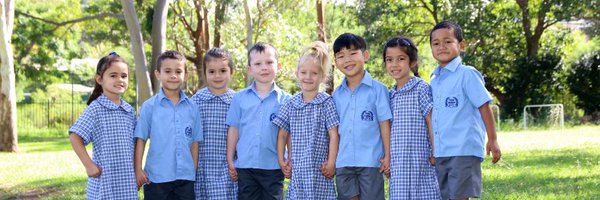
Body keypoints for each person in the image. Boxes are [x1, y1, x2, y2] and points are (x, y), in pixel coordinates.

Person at [429, 20, 502, 200]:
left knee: (460, 196)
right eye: (436, 43)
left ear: (461, 45)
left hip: (463, 149)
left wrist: (492, 140)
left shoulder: (467, 74)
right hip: (442, 151)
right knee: (445, 196)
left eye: (448, 41)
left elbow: (484, 107)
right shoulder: (434, 80)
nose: (441, 47)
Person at [272, 41, 339, 200]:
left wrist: (331, 162)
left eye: (314, 73)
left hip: (320, 171)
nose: (308, 77)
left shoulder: (326, 102)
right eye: (303, 72)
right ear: (297, 73)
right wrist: (282, 160)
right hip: (298, 171)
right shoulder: (291, 103)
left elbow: (334, 135)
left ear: (322, 76)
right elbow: (282, 135)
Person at [225, 42, 292, 200]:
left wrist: (290, 158)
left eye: (269, 62)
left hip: (274, 167)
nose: (264, 67)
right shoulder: (239, 98)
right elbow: (234, 129)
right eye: (258, 63)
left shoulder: (287, 100)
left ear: (278, 66)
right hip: (246, 166)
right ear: (250, 69)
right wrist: (230, 159)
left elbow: (288, 134)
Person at [134, 50, 203, 200]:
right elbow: (141, 139)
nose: (173, 75)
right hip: (156, 177)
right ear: (158, 74)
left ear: (185, 75)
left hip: (185, 178)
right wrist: (138, 169)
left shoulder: (193, 108)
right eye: (167, 71)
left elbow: (195, 143)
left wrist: (193, 170)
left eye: (178, 71)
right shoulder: (149, 107)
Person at [69, 52, 138, 199]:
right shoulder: (96, 109)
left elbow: (136, 142)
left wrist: (138, 170)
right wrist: (89, 165)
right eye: (113, 75)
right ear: (100, 79)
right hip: (105, 180)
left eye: (124, 76)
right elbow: (75, 136)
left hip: (126, 180)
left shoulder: (129, 111)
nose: (120, 80)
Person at [332, 33, 392, 200]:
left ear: (365, 56)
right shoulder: (336, 95)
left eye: (352, 53)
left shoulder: (378, 90)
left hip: (371, 161)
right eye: (341, 56)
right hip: (343, 162)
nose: (347, 60)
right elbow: (334, 131)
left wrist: (388, 155)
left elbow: (384, 124)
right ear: (336, 63)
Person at [383, 36, 442, 199]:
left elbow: (431, 120)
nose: (394, 64)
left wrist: (435, 150)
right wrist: (386, 157)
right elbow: (386, 128)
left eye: (400, 59)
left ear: (412, 62)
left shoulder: (421, 88)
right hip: (398, 160)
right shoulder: (390, 94)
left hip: (420, 157)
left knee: (425, 193)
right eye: (389, 60)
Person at [192, 48, 237, 200]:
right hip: (203, 167)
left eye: (223, 70)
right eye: (211, 72)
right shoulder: (196, 101)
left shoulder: (238, 101)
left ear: (232, 72)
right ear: (204, 73)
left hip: (228, 167)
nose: (217, 76)